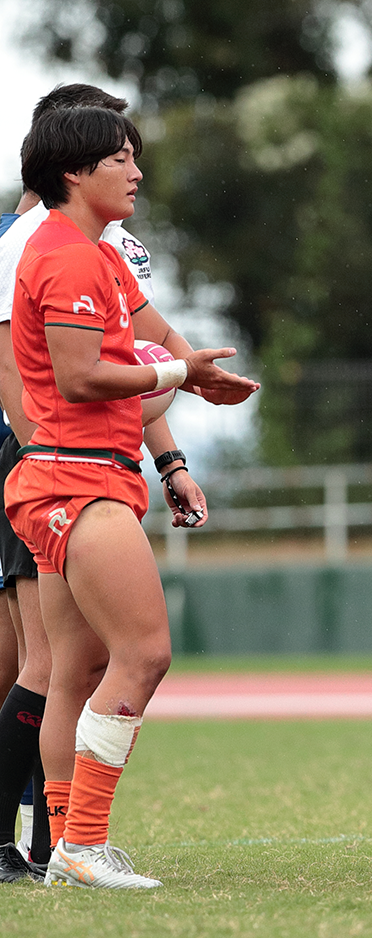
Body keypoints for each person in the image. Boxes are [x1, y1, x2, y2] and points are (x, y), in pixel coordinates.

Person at [5, 105, 257, 888]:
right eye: (120, 158)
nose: (136, 172)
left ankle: (60, 849)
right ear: (74, 171)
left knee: (72, 669)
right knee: (144, 654)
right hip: (76, 477)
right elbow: (81, 377)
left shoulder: (96, 254)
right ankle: (83, 843)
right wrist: (180, 372)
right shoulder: (66, 256)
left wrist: (200, 378)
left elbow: (153, 337)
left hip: (72, 475)